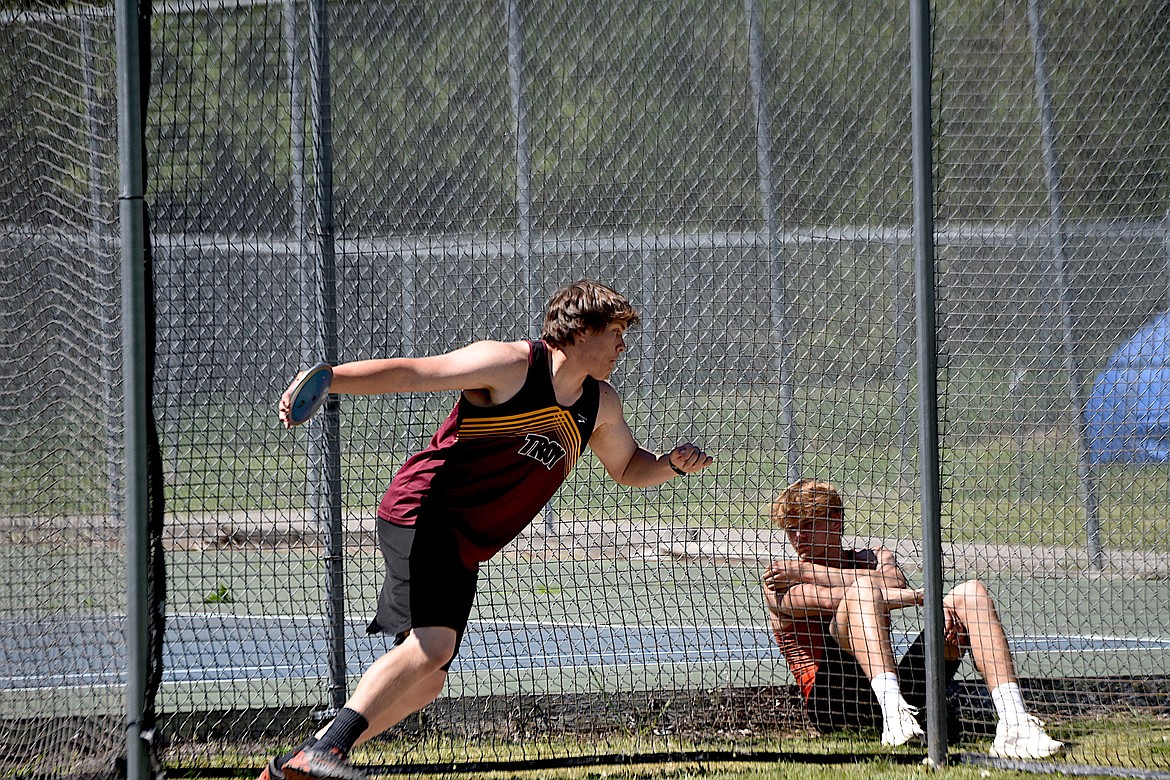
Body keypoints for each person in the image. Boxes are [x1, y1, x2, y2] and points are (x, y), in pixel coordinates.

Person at [264, 280, 714, 780]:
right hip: (425, 508)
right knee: (432, 647)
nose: (623, 346)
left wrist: (671, 465)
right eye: (614, 332)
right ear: (579, 332)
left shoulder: (599, 405)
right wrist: (330, 377)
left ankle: (301, 762)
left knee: (428, 678)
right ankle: (323, 752)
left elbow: (629, 467)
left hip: (465, 542)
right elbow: (415, 374)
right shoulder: (509, 365)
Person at [761, 478, 1063, 760]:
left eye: (807, 525)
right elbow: (842, 597)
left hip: (897, 686)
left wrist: (807, 571)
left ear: (836, 521)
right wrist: (926, 599)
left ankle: (1014, 722)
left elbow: (893, 583)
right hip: (835, 703)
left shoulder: (871, 557)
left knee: (971, 593)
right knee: (863, 590)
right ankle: (893, 716)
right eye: (791, 529)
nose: (797, 537)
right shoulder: (780, 580)